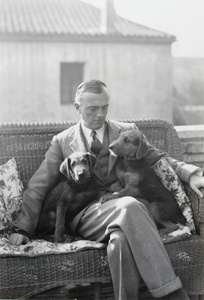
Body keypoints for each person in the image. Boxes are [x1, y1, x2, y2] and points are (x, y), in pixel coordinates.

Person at [9, 80, 204, 300]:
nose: (100, 114)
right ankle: (172, 293)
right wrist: (23, 229)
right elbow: (38, 185)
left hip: (122, 212)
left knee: (119, 242)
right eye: (93, 108)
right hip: (86, 215)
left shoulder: (127, 131)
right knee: (131, 204)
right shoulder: (62, 141)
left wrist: (193, 174)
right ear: (77, 108)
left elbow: (160, 157)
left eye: (105, 107)